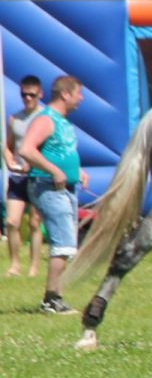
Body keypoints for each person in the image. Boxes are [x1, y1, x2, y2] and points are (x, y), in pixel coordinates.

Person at [16, 74, 89, 313]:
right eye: (78, 93)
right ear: (65, 94)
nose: (81, 98)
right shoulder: (46, 119)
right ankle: (51, 300)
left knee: (67, 243)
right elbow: (26, 149)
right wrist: (54, 170)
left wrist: (79, 172)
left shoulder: (63, 121)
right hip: (47, 185)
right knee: (64, 243)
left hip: (64, 187)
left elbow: (62, 151)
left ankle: (55, 296)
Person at [6, 75, 43, 278]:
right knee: (12, 222)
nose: (27, 98)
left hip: (37, 176)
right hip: (18, 176)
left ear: (40, 94)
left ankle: (34, 267)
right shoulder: (15, 119)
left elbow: (49, 149)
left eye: (32, 95)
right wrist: (9, 160)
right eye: (24, 95)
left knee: (35, 222)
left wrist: (35, 162)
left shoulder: (45, 118)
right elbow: (8, 146)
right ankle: (14, 264)